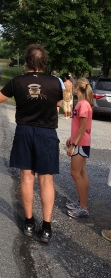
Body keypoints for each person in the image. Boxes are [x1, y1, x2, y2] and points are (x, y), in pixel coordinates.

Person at [0, 44, 63, 244]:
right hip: (47, 133)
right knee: (46, 180)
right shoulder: (56, 82)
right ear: (44, 62)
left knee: (26, 176)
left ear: (26, 61)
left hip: (24, 131)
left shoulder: (18, 81)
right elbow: (60, 103)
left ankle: (30, 222)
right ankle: (47, 227)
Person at [65, 77, 93, 218]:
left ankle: (83, 207)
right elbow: (81, 127)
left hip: (81, 143)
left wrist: (73, 145)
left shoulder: (82, 105)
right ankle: (82, 202)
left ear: (76, 87)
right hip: (81, 141)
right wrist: (71, 138)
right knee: (81, 172)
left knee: (75, 173)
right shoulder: (84, 104)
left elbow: (83, 128)